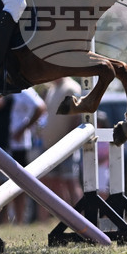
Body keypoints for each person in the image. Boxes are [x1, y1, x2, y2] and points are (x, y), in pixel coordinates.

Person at [40, 77, 83, 209]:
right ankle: (64, 214)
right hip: (51, 146)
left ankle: (80, 213)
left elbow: (76, 114)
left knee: (70, 181)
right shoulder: (53, 89)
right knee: (55, 182)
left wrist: (70, 140)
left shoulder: (71, 87)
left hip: (66, 144)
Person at [9, 87, 46, 223]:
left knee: (19, 184)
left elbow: (40, 107)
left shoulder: (24, 90)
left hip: (19, 145)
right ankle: (6, 220)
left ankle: (20, 219)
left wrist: (22, 129)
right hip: (2, 142)